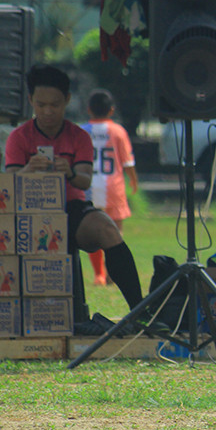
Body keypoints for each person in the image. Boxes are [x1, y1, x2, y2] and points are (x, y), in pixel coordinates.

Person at [5, 64, 151, 328]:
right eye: (41, 105)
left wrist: (69, 171)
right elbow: (8, 184)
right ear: (30, 101)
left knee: (108, 229)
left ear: (67, 100)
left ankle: (139, 310)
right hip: (28, 214)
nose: (48, 111)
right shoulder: (19, 137)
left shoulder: (78, 136)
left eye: (55, 105)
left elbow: (85, 179)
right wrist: (28, 170)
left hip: (70, 208)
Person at [81, 89, 139, 286]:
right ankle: (113, 273)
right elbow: (128, 162)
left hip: (87, 186)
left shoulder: (82, 131)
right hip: (113, 187)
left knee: (93, 232)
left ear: (89, 109)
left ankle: (99, 274)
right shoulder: (117, 131)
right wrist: (133, 180)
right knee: (115, 231)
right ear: (111, 110)